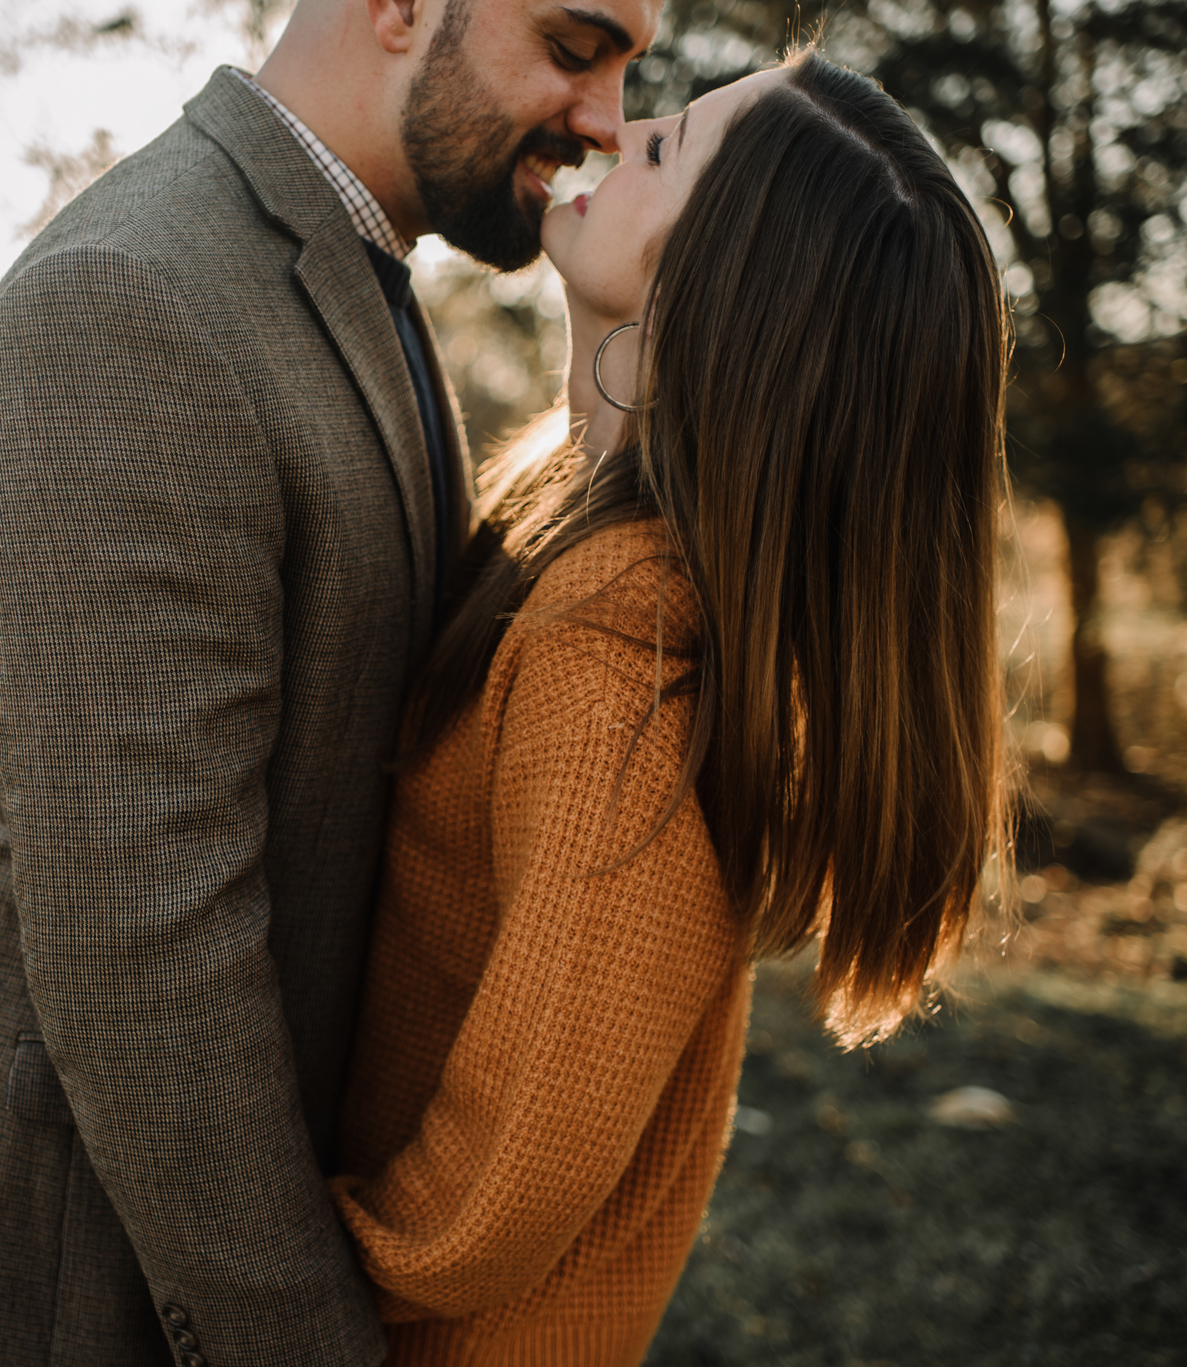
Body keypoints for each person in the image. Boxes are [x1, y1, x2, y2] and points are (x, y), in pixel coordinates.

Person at [0, 0, 661, 1361]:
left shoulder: (352, 269)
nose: (610, 118)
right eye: (574, 45)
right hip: (55, 1275)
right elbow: (145, 945)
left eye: (629, 67)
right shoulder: (133, 301)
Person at [326, 49, 1015, 1365]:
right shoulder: (564, 507)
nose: (621, 129)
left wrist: (273, 1264)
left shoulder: (623, 641)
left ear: (719, 297)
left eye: (668, 150)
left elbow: (522, 1154)